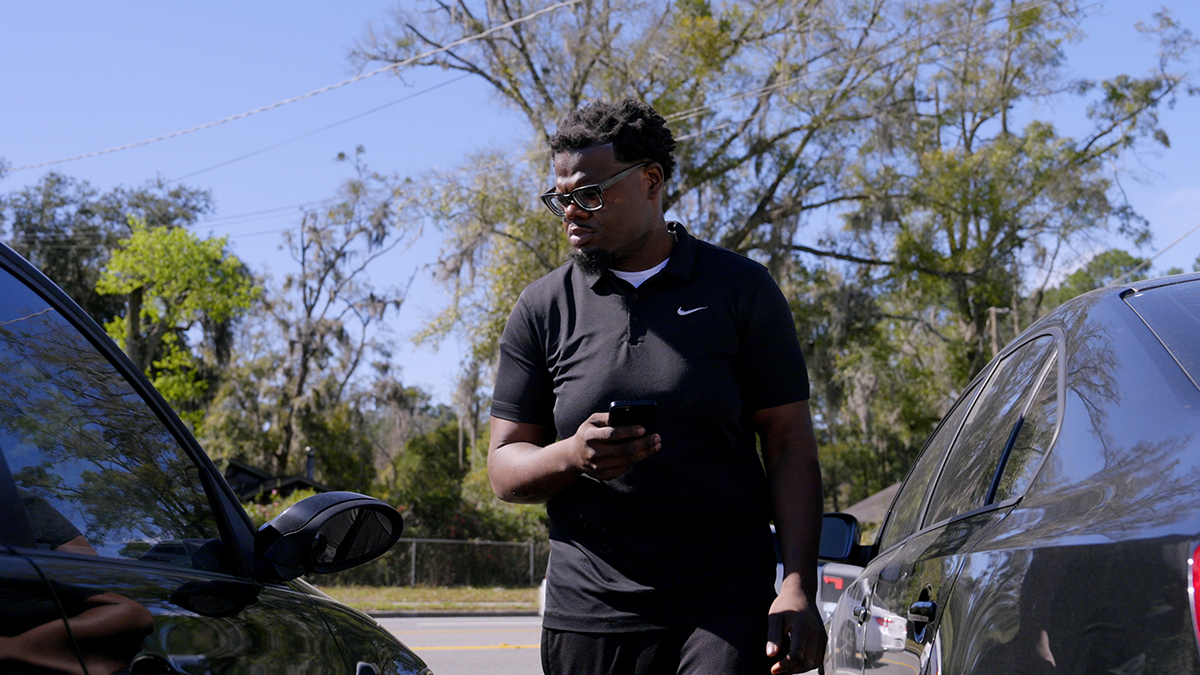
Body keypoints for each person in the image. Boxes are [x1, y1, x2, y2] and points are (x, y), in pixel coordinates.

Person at [488, 98, 826, 675]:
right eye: (561, 198)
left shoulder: (741, 289)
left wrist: (796, 584)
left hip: (722, 605)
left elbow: (790, 443)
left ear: (651, 181)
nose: (573, 212)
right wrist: (572, 455)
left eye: (589, 194)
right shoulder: (543, 307)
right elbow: (504, 467)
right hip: (588, 612)